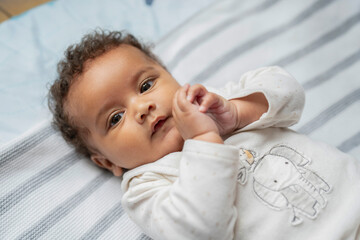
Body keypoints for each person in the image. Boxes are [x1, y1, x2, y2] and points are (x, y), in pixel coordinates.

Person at [48, 30, 360, 240]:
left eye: (146, 86)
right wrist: (204, 140)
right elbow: (202, 230)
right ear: (107, 162)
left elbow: (290, 96)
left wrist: (238, 112)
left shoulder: (217, 103)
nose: (142, 107)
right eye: (115, 118)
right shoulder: (146, 185)